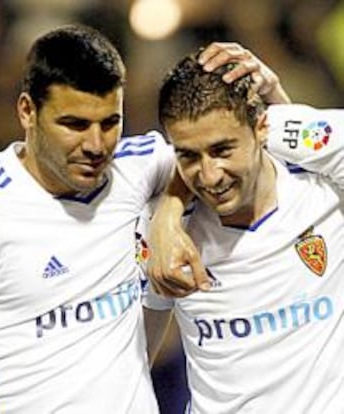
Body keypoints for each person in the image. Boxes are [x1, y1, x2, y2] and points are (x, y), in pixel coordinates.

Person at [0, 24, 177, 414]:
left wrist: (171, 214)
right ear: (28, 111)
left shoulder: (141, 169)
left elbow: (241, 154)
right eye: (74, 125)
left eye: (110, 123)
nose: (96, 145)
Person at [143, 47, 344, 413]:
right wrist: (168, 212)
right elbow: (137, 356)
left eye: (223, 150)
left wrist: (274, 91)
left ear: (264, 128)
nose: (210, 175)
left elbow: (319, 137)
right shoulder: (165, 235)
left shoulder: (324, 187)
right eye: (189, 155)